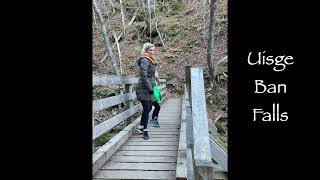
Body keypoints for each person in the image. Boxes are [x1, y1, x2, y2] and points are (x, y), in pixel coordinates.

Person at [135, 43, 157, 140]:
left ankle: (141, 127)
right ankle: (145, 130)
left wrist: (155, 75)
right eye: (150, 50)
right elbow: (143, 75)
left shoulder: (151, 60)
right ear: (146, 50)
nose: (152, 52)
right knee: (147, 108)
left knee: (148, 108)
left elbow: (149, 74)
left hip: (148, 88)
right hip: (144, 88)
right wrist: (150, 88)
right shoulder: (144, 59)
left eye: (153, 50)